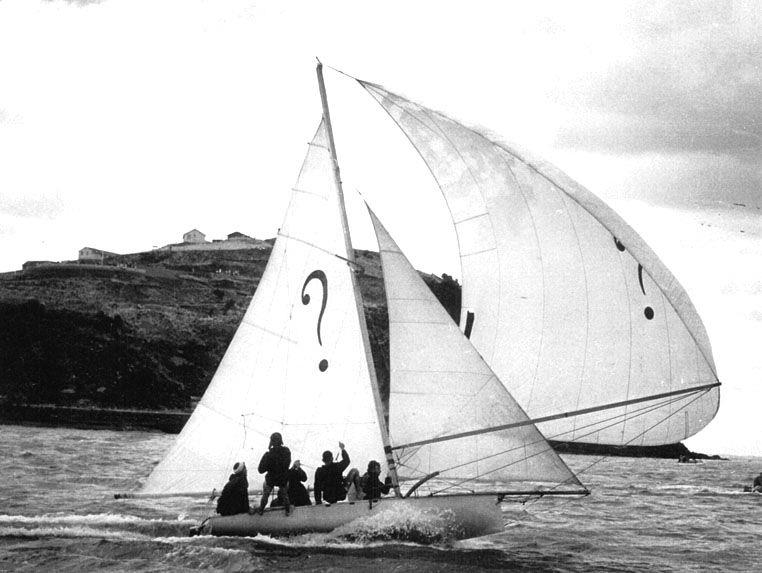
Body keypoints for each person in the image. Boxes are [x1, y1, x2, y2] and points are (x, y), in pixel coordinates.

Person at [257, 432, 291, 515]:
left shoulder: (268, 454)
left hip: (271, 478)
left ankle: (261, 510)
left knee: (266, 494)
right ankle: (288, 511)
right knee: (285, 495)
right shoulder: (286, 451)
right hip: (282, 478)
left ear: (271, 442)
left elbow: (260, 470)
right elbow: (287, 464)